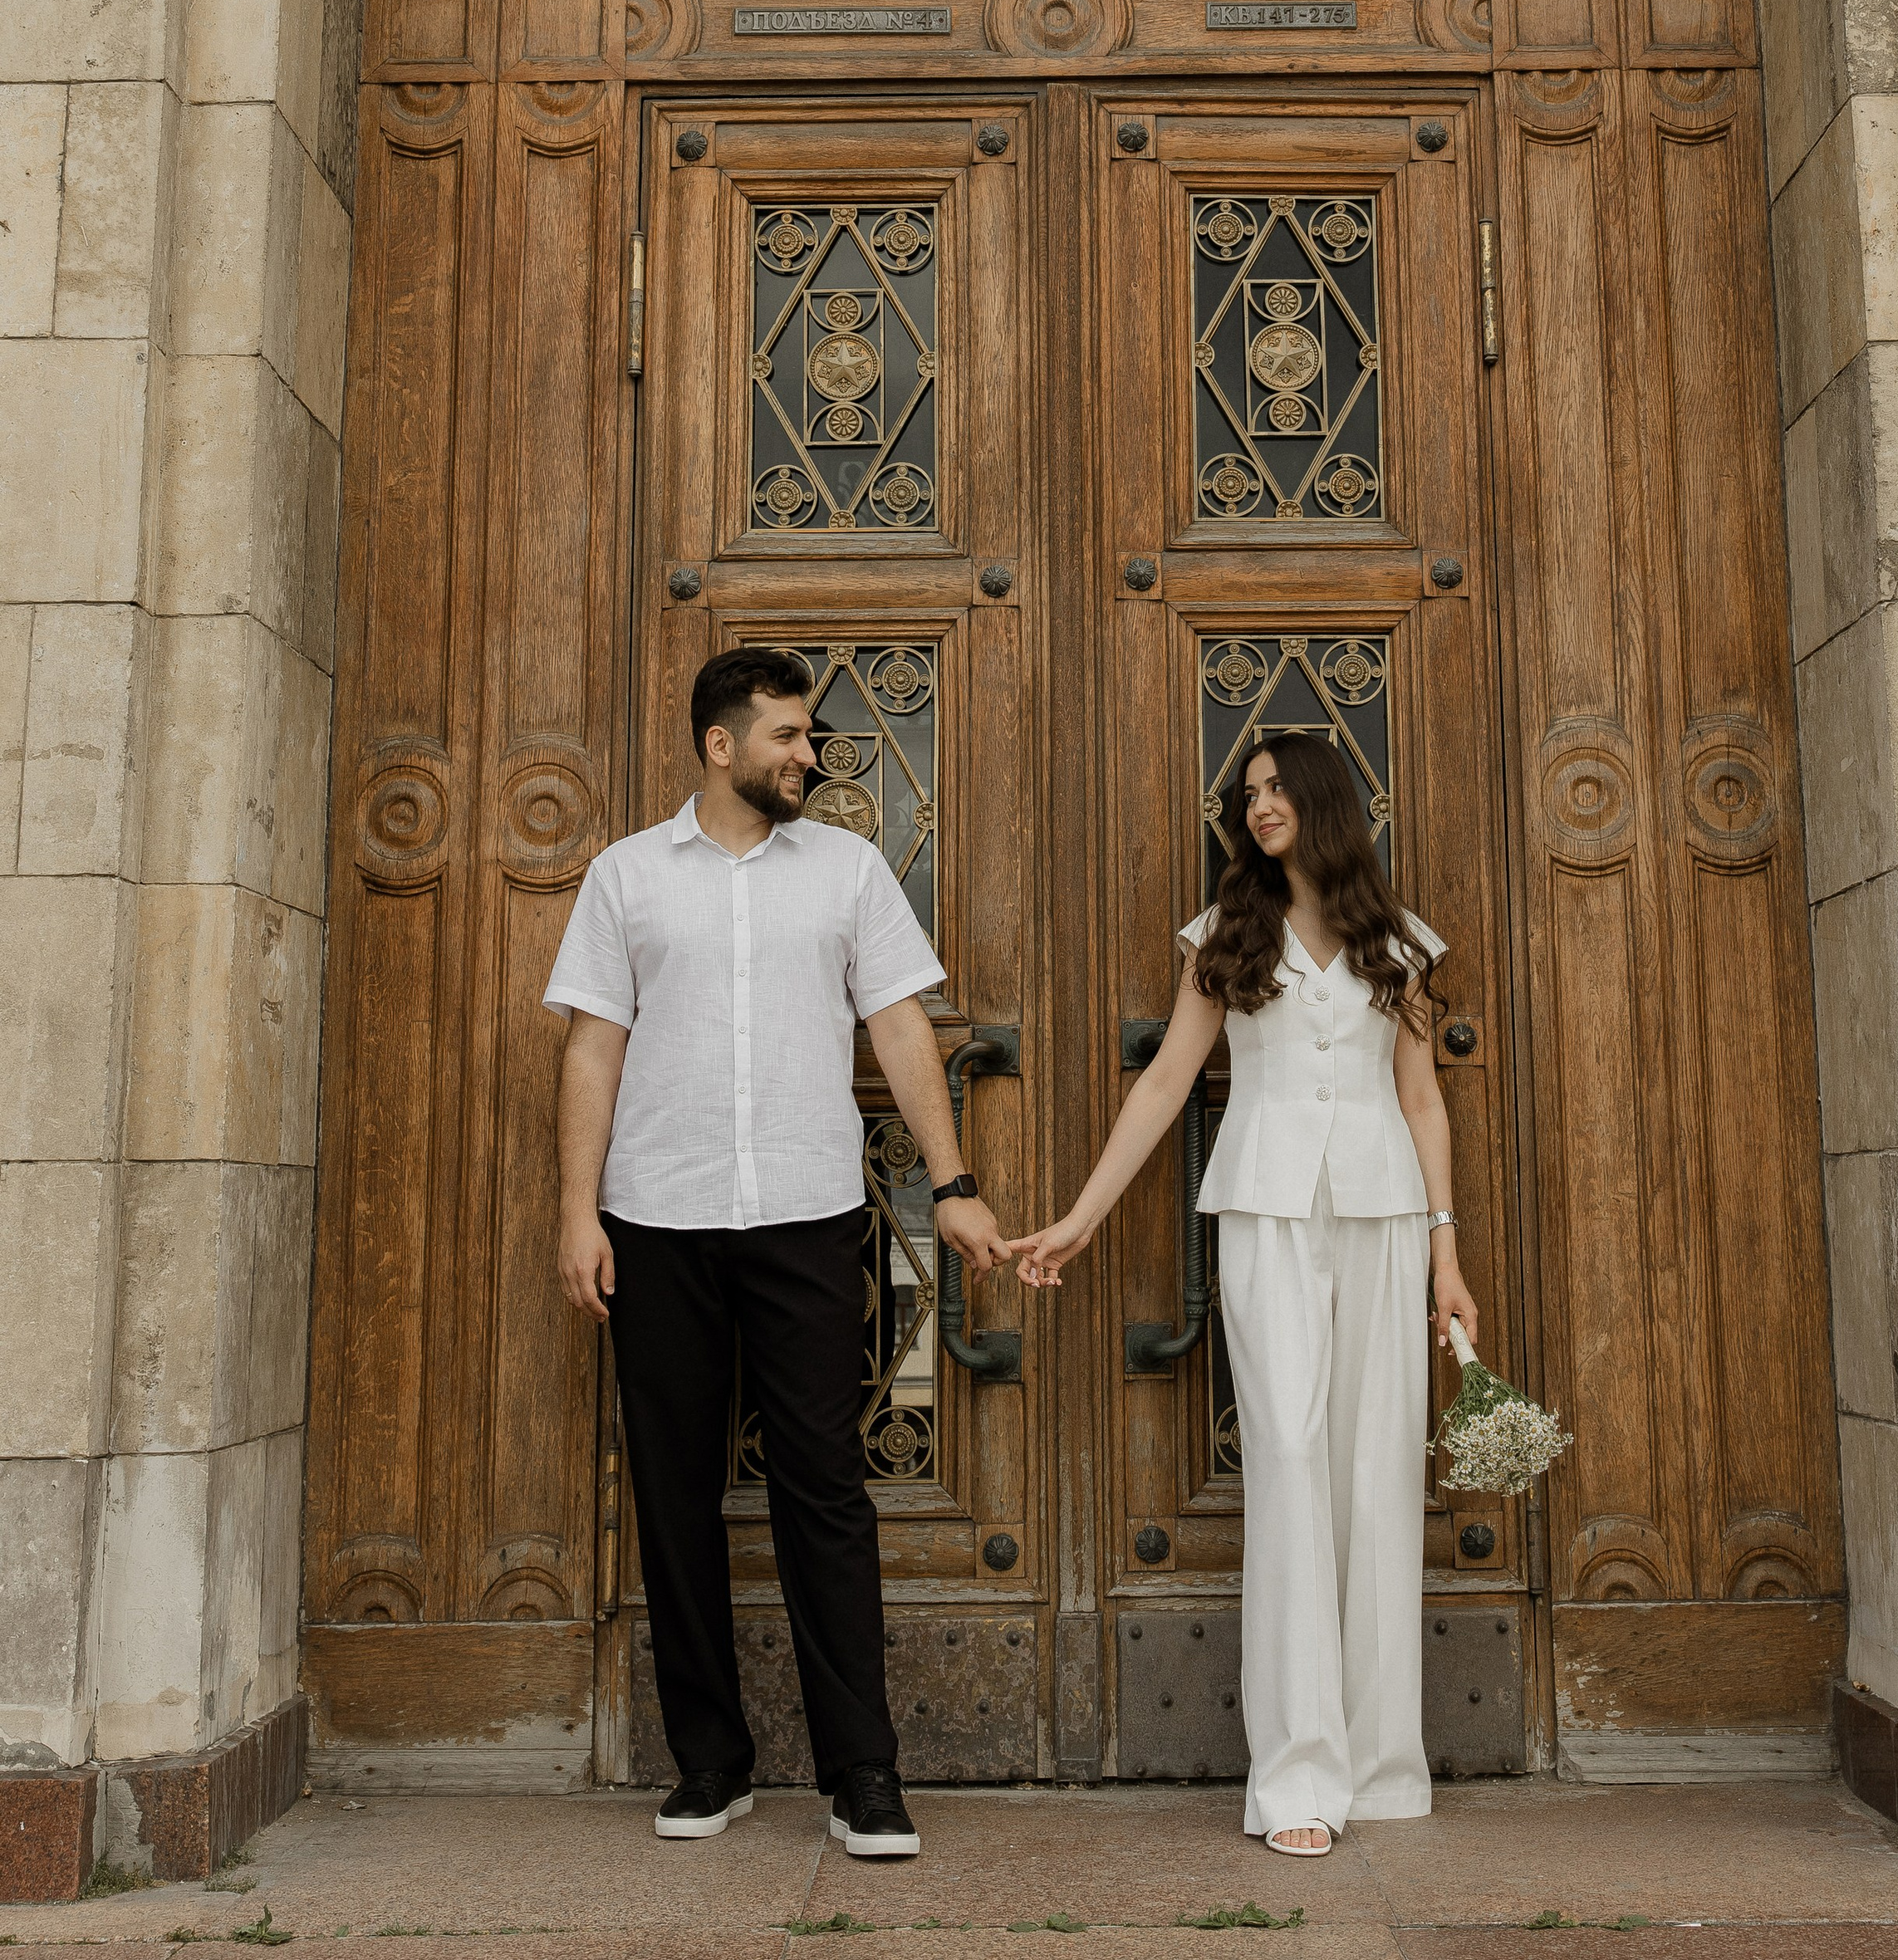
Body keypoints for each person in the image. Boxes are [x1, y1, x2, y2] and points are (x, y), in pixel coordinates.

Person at [546, 644, 1013, 1858]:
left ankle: (864, 1773)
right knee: (676, 1495)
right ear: (721, 745)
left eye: (809, 738)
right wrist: (575, 1212)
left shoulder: (849, 870)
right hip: (658, 1219)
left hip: (810, 1216)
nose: (811, 754)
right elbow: (591, 1049)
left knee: (826, 1492)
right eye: (789, 738)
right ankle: (711, 1764)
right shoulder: (625, 877)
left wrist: (953, 1184)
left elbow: (900, 1024)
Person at [1011, 731, 1479, 1855]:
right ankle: (1298, 1779)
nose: (1260, 807)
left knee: (1377, 1473)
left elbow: (1422, 1102)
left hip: (1384, 1216)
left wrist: (1448, 1256)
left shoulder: (1396, 944)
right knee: (1288, 1465)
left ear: (1323, 800)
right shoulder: (1225, 939)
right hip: (1265, 1215)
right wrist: (1080, 1217)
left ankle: (1377, 1764)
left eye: (1277, 789)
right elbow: (1169, 1082)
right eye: (1249, 794)